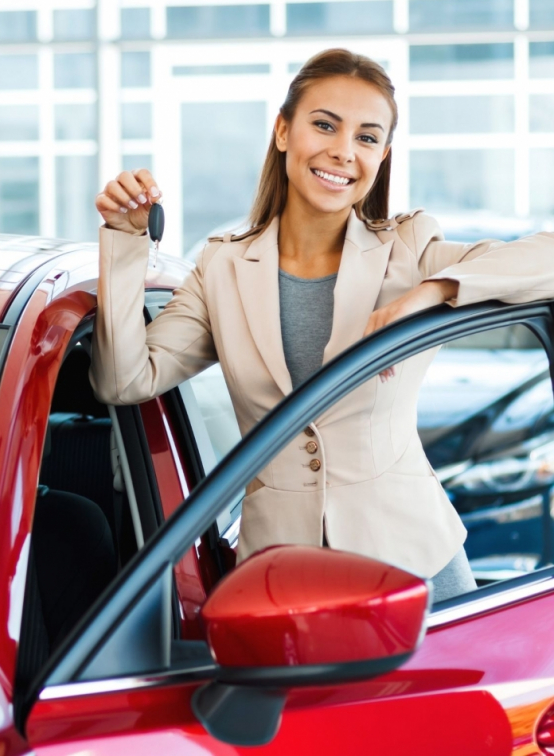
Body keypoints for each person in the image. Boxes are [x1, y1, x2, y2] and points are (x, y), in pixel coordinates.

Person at [89, 48, 554, 603]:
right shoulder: (223, 267)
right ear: (284, 131)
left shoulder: (407, 250)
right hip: (281, 575)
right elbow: (124, 380)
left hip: (414, 566)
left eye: (366, 137)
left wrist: (431, 293)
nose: (343, 151)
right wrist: (123, 242)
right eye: (325, 125)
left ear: (382, 155)